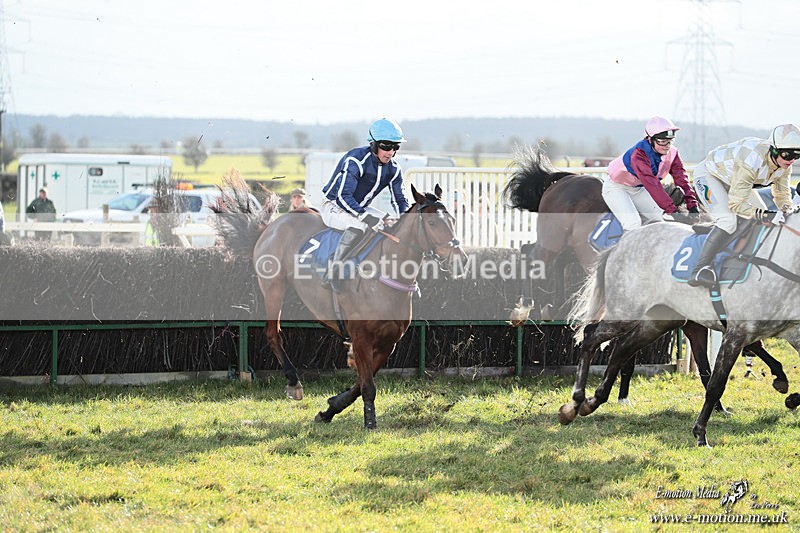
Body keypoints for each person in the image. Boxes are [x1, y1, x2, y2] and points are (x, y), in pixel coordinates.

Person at [688, 124, 799, 288]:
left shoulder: (785, 165)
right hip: (709, 176)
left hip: (735, 182)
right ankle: (699, 269)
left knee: (764, 219)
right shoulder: (752, 158)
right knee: (728, 220)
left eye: (797, 155)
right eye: (787, 154)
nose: (791, 160)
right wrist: (767, 214)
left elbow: (782, 195)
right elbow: (737, 203)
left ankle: (737, 256)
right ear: (774, 150)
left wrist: (787, 209)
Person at [320, 117, 410, 292]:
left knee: (389, 222)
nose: (390, 152)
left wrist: (405, 219)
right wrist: (365, 216)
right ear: (374, 144)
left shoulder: (394, 169)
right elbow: (343, 196)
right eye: (385, 146)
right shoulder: (355, 160)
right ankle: (333, 272)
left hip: (358, 207)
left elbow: (400, 200)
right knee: (359, 225)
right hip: (334, 205)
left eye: (395, 147)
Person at [602, 116, 700, 231]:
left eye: (670, 141)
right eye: (663, 141)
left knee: (661, 220)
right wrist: (673, 211)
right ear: (650, 139)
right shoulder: (638, 155)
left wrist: (692, 204)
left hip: (638, 189)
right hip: (616, 188)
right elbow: (653, 185)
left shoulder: (673, 152)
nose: (667, 145)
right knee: (633, 224)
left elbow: (682, 179)